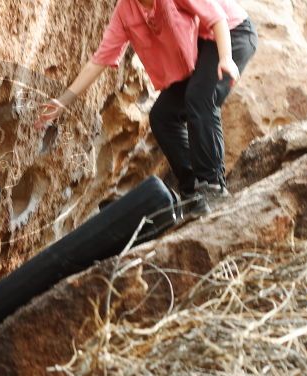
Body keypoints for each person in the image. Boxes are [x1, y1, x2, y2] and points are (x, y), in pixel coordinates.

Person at [35, 0, 258, 217]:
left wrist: (226, 58)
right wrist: (62, 102)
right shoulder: (126, 10)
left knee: (200, 97)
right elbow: (99, 60)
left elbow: (218, 18)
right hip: (202, 45)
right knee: (163, 116)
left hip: (231, 33)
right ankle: (192, 192)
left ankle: (212, 187)